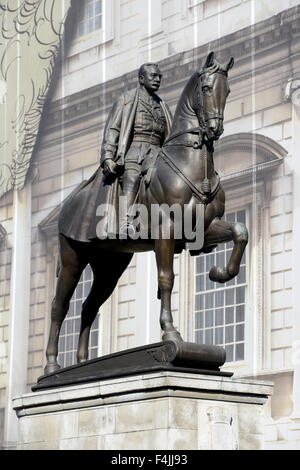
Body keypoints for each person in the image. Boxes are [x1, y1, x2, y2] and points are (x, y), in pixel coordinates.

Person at [100, 62, 173, 234]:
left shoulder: (163, 105)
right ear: (141, 78)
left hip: (158, 152)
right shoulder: (127, 99)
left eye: (160, 76)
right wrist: (108, 156)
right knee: (132, 176)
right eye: (153, 76)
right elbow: (113, 128)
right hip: (135, 150)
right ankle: (126, 222)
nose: (157, 79)